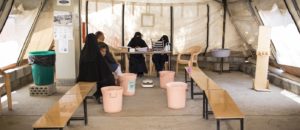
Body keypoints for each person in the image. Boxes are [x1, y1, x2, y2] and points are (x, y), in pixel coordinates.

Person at [77, 33, 115, 104]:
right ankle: (99, 94)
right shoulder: (96, 52)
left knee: (102, 76)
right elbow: (103, 66)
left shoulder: (83, 52)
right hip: (95, 77)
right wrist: (110, 73)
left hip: (83, 77)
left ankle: (97, 94)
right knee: (108, 78)